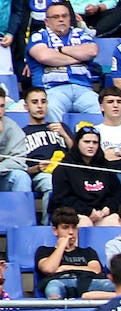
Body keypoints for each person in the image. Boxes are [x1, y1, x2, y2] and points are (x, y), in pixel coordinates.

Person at [35, 205, 118, 298]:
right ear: (55, 230)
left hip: (88, 281)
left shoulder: (88, 251)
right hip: (59, 281)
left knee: (118, 285)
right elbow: (49, 269)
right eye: (65, 227)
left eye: (74, 228)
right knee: (52, 289)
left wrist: (66, 268)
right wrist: (62, 245)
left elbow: (96, 270)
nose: (71, 232)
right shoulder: (44, 250)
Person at [19, 85, 69, 218]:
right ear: (26, 107)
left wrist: (64, 134)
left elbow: (79, 152)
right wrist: (37, 168)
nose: (40, 106)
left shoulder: (60, 127)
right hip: (43, 175)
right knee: (52, 183)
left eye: (43, 101)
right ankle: (49, 226)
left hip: (67, 172)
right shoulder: (21, 134)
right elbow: (18, 168)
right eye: (35, 102)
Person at [0, 84, 31, 196]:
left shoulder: (12, 127)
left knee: (21, 177)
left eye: (2, 106)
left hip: (2, 177)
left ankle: (22, 213)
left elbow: (19, 161)